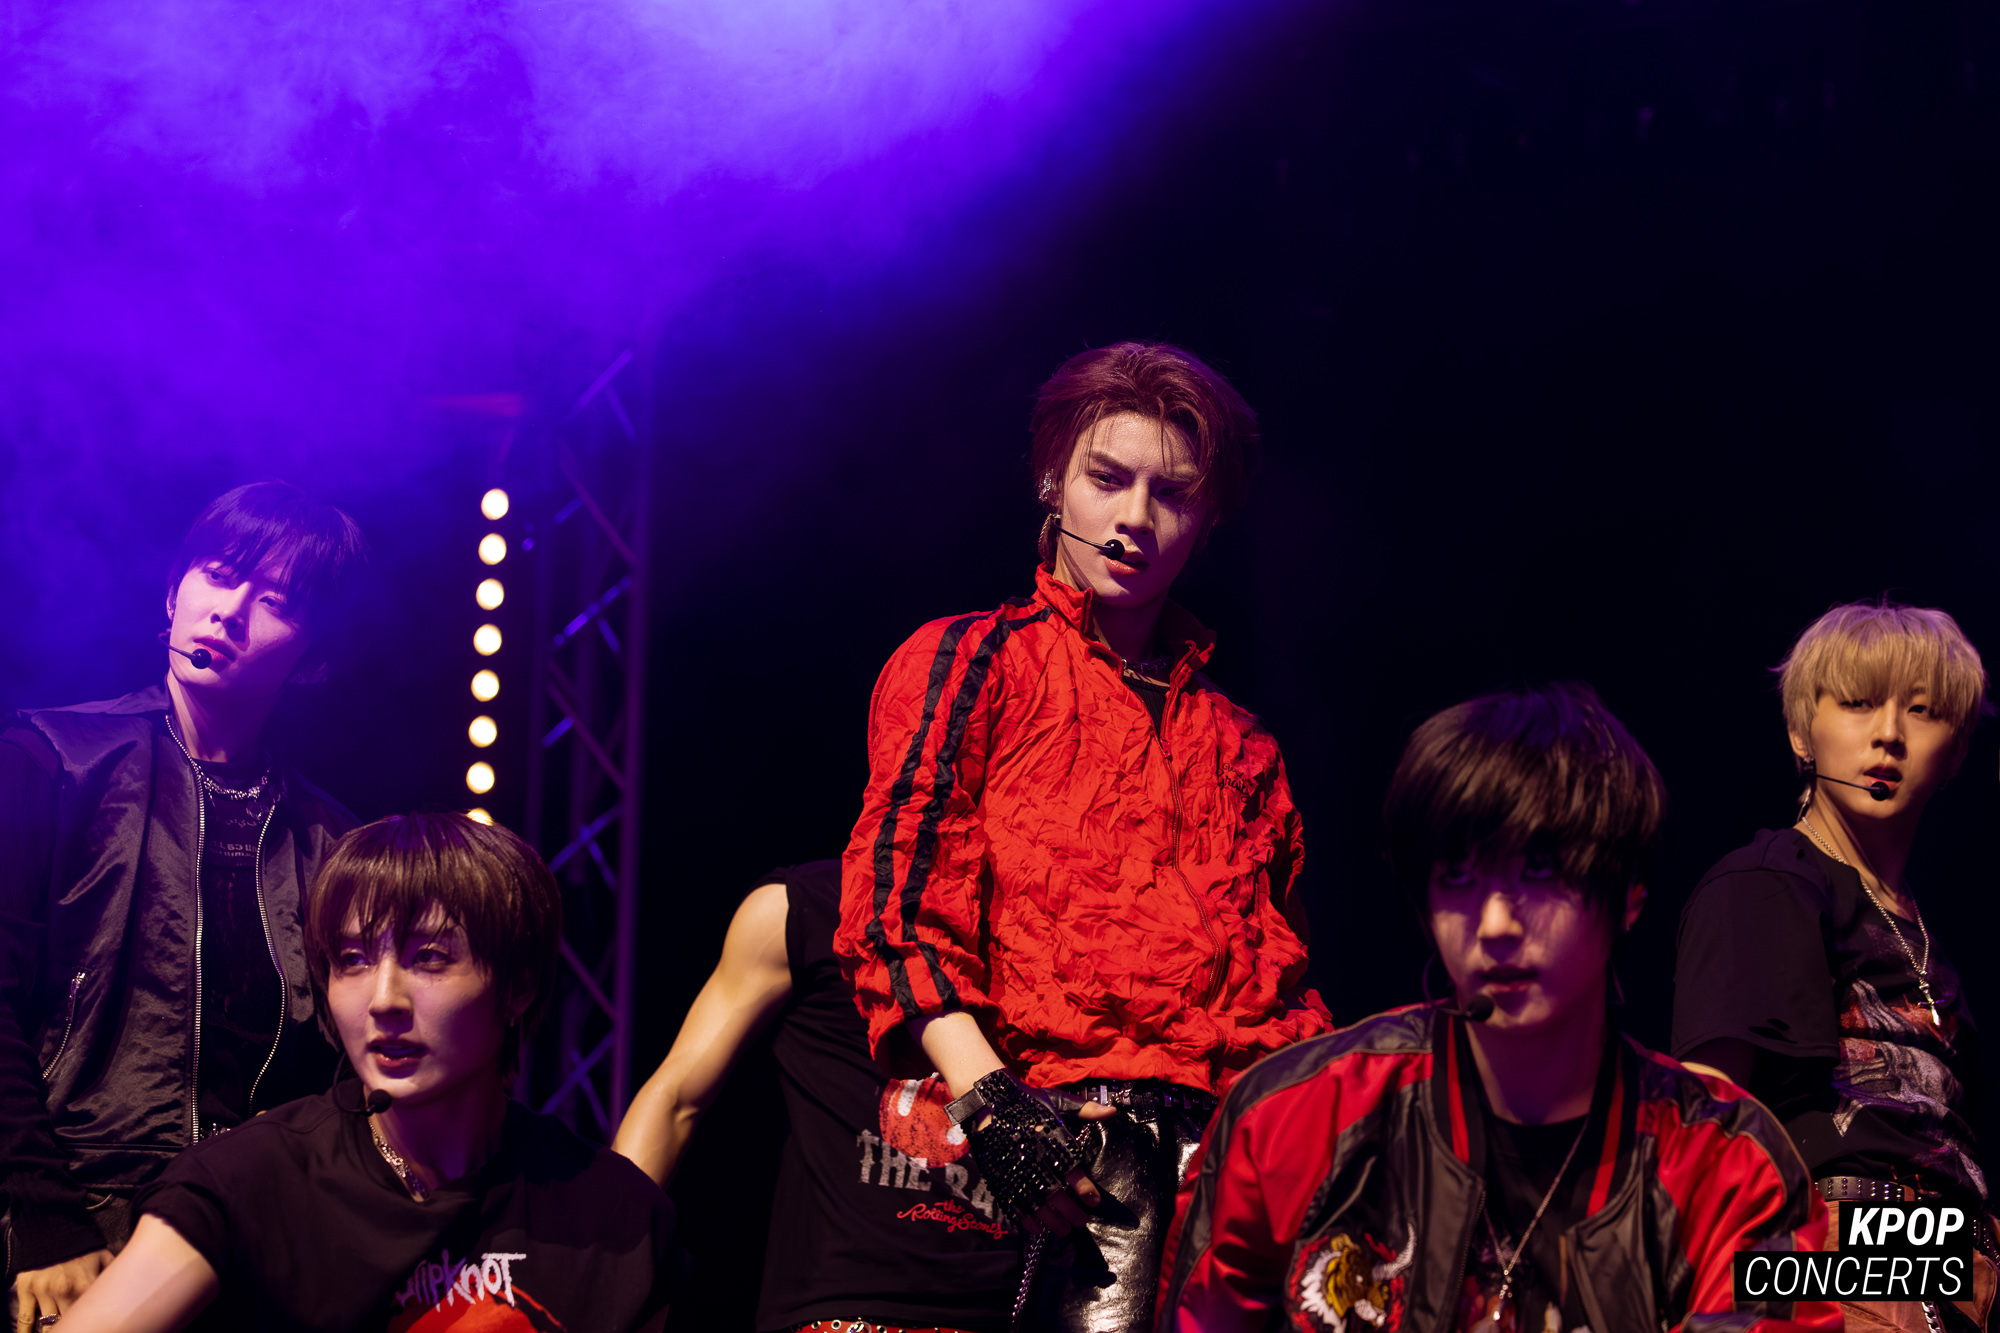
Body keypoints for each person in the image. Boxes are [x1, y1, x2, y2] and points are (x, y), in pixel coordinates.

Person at [835, 341, 1331, 1329]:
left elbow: (1275, 983)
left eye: (1171, 493)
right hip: (1060, 1147)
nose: (1134, 517)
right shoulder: (972, 660)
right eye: (1107, 478)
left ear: (1206, 519)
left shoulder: (1242, 743)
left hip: (1233, 1161)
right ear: (1051, 481)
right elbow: (896, 911)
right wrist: (990, 1102)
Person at [1158, 683, 1839, 1333]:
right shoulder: (1288, 1122)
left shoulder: (1729, 1166)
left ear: (1629, 894)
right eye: (1457, 877)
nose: (1494, 926)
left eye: (1539, 872)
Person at [56, 811, 681, 1332]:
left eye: (429, 957)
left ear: (517, 986)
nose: (383, 1000)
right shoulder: (252, 1182)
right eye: (352, 959)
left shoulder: (616, 1214)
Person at [2, 481, 367, 1329]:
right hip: (71, 1219)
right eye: (218, 574)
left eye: (274, 600)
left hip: (257, 1243)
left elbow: (351, 1076)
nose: (228, 611)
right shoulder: (50, 759)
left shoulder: (335, 843)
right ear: (173, 591)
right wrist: (43, 1216)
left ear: (313, 656)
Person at [1672, 600, 1995, 1333]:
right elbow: (1705, 1123)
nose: (1889, 733)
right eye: (1857, 703)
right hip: (1833, 1256)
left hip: (1953, 1267)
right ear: (1800, 734)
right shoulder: (1768, 883)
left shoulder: (1924, 938)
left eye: (1922, 710)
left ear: (1956, 752)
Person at [614, 860, 1018, 1333]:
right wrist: (597, 1260)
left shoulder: (1044, 937)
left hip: (1022, 1305)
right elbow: (677, 1097)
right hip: (848, 1306)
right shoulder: (803, 906)